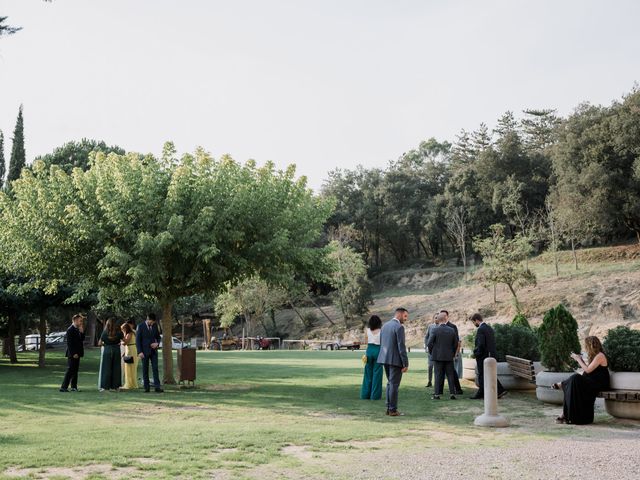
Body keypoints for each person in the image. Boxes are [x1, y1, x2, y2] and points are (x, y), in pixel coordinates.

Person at [553, 336, 610, 425]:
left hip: (599, 383)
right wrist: (581, 360)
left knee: (575, 378)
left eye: (586, 346)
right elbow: (588, 370)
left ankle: (562, 384)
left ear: (590, 346)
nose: (585, 348)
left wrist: (578, 359)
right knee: (573, 382)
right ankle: (564, 414)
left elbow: (587, 370)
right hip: (592, 381)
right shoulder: (595, 356)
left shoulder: (600, 356)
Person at [377, 307, 409, 416]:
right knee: (394, 385)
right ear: (399, 315)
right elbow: (401, 346)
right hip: (395, 360)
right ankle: (393, 410)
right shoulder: (399, 327)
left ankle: (388, 408)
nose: (406, 319)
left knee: (390, 384)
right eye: (405, 316)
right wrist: (405, 363)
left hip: (384, 359)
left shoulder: (385, 326)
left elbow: (382, 343)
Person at [470, 313, 506, 399]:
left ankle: (481, 393)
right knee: (489, 374)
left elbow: (481, 344)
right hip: (491, 355)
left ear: (476, 320)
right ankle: (500, 390)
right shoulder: (489, 328)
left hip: (483, 356)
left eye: (473, 322)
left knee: (482, 374)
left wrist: (476, 353)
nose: (474, 324)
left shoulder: (481, 329)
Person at [427, 312, 458, 399]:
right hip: (449, 356)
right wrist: (452, 353)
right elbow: (455, 344)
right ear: (445, 319)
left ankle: (437, 394)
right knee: (450, 375)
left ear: (438, 320)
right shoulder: (451, 330)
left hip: (437, 356)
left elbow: (429, 343)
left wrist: (431, 352)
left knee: (438, 375)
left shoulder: (435, 330)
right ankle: (452, 394)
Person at [136, 313, 164, 393]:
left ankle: (157, 387)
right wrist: (139, 352)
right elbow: (137, 340)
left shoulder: (155, 326)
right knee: (145, 369)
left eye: (153, 323)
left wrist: (157, 344)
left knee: (155, 368)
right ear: (148, 319)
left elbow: (158, 337)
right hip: (144, 352)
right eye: (151, 322)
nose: (152, 324)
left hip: (154, 351)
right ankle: (146, 387)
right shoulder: (140, 326)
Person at [60, 314, 86, 392]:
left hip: (78, 353)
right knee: (70, 370)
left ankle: (74, 387)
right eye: (80, 321)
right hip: (72, 353)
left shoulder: (78, 329)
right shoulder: (70, 329)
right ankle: (63, 387)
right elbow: (69, 343)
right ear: (75, 320)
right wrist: (73, 353)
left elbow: (81, 339)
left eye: (82, 321)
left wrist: (82, 332)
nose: (81, 322)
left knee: (75, 371)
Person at [440, 309, 464, 395]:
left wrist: (455, 353)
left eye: (443, 315)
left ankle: (458, 389)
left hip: (450, 354)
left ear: (447, 316)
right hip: (441, 354)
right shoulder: (438, 326)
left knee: (452, 371)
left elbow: (456, 341)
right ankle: (439, 391)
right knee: (441, 372)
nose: (442, 316)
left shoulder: (453, 326)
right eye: (440, 315)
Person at [360, 315, 383, 400]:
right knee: (377, 374)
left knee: (368, 374)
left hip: (369, 350)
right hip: (378, 350)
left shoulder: (367, 330)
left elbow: (366, 342)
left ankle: (365, 395)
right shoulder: (381, 331)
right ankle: (375, 396)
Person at [98, 318, 124, 391]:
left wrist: (105, 344)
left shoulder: (105, 332)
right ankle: (116, 386)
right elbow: (124, 341)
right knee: (116, 368)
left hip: (107, 350)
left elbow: (99, 343)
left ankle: (105, 387)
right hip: (116, 350)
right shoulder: (119, 332)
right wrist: (119, 343)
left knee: (106, 368)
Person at [121, 321, 139, 390]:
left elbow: (125, 342)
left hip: (130, 350)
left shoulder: (129, 333)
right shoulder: (132, 332)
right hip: (130, 349)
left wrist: (121, 339)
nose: (122, 330)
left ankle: (130, 384)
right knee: (130, 367)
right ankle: (132, 383)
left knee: (129, 367)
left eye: (123, 329)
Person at [424, 314, 437, 388]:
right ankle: (429, 381)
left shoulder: (441, 327)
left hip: (438, 351)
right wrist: (426, 346)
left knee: (437, 368)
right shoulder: (430, 326)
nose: (436, 319)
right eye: (435, 318)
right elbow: (426, 337)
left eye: (437, 318)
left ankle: (437, 383)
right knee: (430, 366)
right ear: (433, 319)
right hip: (430, 351)